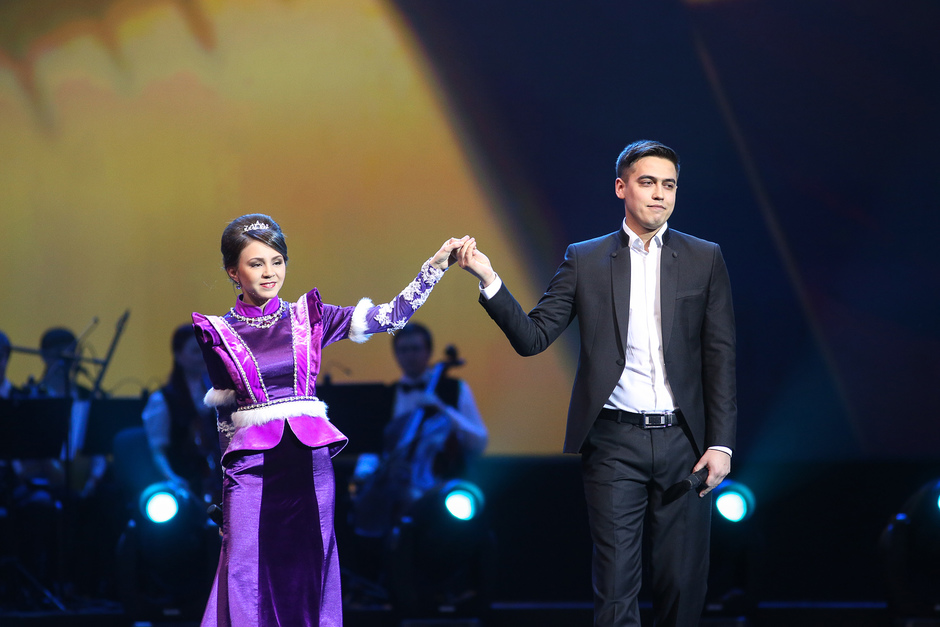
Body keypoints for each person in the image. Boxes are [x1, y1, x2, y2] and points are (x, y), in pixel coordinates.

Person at [457, 140, 737, 627]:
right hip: (613, 442)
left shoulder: (703, 257)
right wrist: (489, 279)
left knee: (681, 585)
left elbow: (720, 356)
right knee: (615, 587)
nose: (660, 194)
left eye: (669, 185)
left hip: (685, 443)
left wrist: (721, 444)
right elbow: (533, 338)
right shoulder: (585, 259)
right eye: (648, 182)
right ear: (621, 188)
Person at [191, 213, 469, 627]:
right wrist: (224, 492)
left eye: (277, 261)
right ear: (234, 272)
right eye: (256, 263)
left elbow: (390, 317)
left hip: (309, 465)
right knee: (245, 573)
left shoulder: (309, 317)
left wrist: (435, 268)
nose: (269, 273)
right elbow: (225, 418)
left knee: (309, 571)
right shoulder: (219, 332)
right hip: (250, 472)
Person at [141, 324, 221, 505]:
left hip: (217, 481)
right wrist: (173, 478)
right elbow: (157, 451)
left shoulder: (218, 393)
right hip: (185, 487)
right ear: (178, 355)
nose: (202, 356)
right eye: (195, 351)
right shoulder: (162, 400)